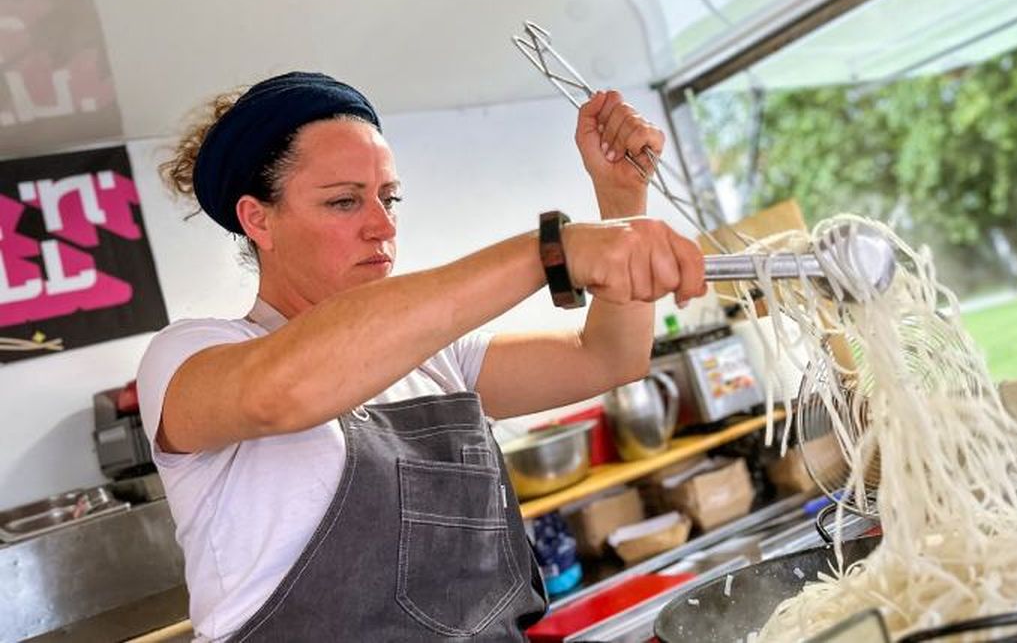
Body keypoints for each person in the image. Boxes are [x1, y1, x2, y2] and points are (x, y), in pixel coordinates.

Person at [136, 71, 708, 641]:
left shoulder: (435, 356)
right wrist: (552, 251)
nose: (382, 225)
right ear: (258, 219)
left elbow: (608, 356)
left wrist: (621, 199)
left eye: (389, 198)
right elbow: (282, 393)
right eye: (344, 202)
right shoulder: (191, 354)